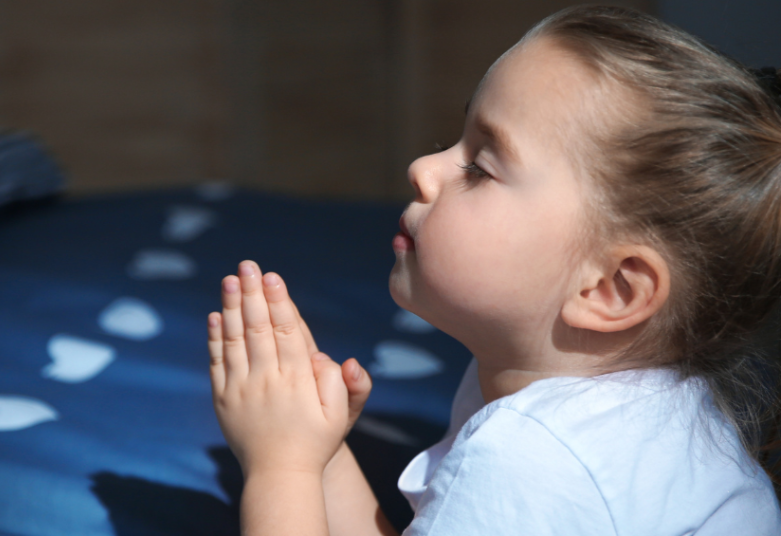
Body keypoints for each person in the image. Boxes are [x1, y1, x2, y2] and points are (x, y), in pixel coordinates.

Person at [205, 5, 781, 535]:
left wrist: (281, 466)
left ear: (611, 288)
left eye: (479, 167)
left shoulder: (534, 462)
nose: (423, 169)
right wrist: (320, 447)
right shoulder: (616, 407)